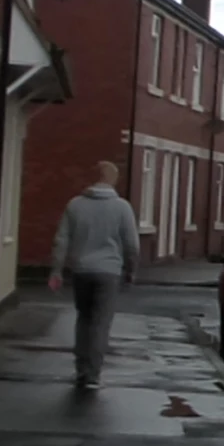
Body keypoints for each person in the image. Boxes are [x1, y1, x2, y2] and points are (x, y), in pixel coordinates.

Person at [49, 161, 143, 390]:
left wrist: (56, 270)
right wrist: (131, 271)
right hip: (109, 272)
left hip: (81, 270)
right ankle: (93, 375)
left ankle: (81, 367)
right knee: (101, 323)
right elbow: (132, 245)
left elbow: (61, 240)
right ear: (113, 180)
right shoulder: (122, 207)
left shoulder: (75, 205)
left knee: (84, 319)